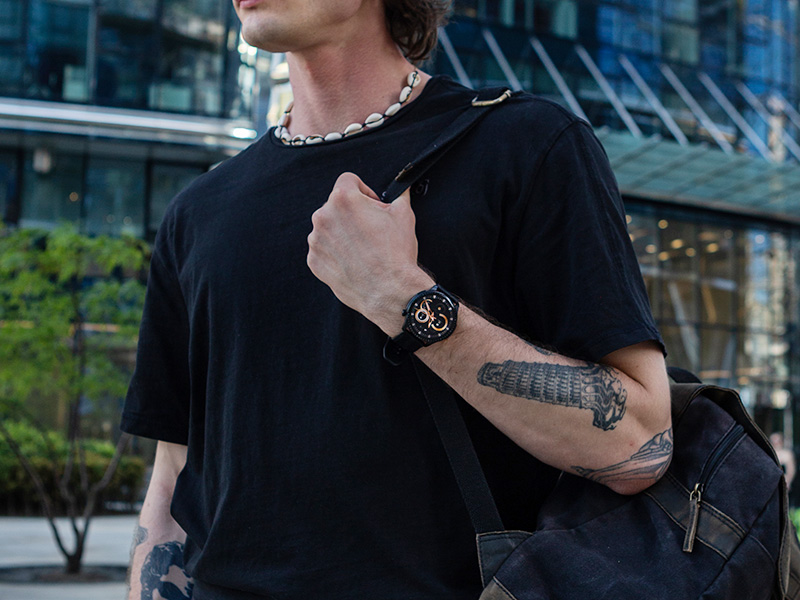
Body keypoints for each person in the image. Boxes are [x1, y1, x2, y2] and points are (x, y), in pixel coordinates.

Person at [122, 0, 672, 598]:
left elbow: (639, 441)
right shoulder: (199, 212)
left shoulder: (524, 145)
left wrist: (403, 299)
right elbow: (173, 479)